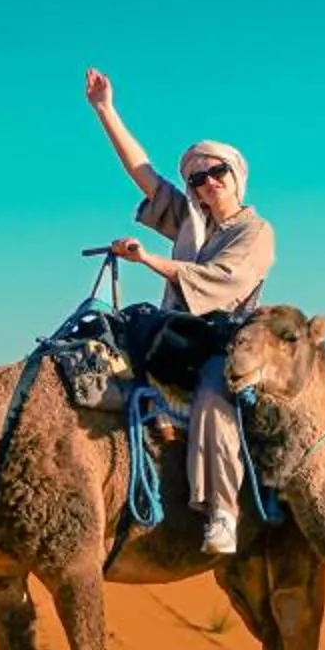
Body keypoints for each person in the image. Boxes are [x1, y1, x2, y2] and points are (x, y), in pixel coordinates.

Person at [86, 67, 278, 556]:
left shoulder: (255, 232)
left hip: (222, 339)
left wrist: (149, 259)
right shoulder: (190, 222)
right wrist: (106, 110)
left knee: (215, 397)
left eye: (217, 172)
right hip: (172, 332)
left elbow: (219, 284)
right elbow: (144, 173)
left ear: (237, 177)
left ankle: (222, 511)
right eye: (197, 177)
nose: (207, 182)